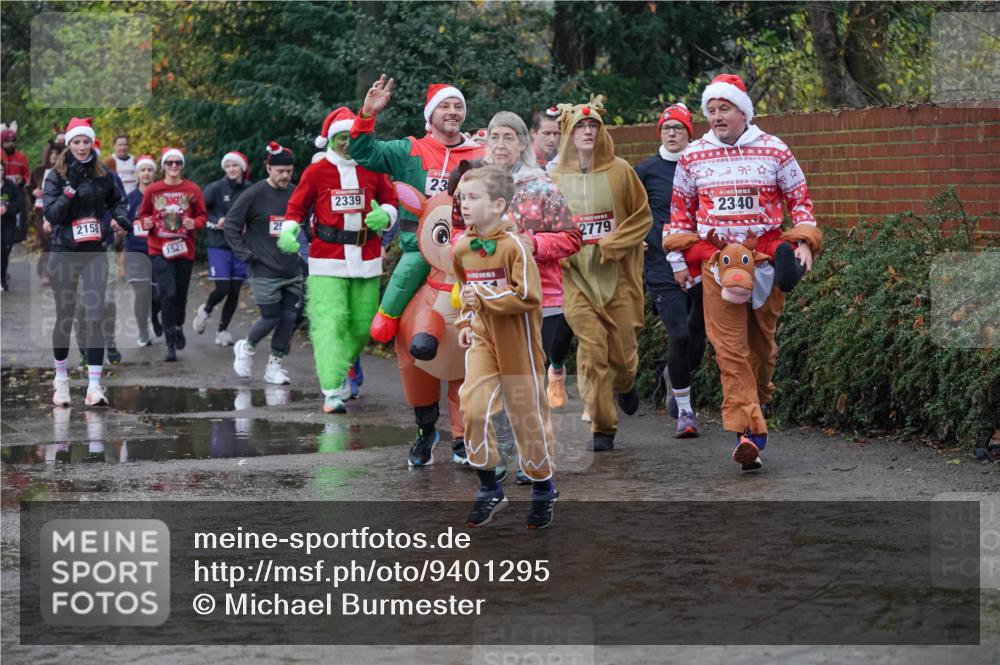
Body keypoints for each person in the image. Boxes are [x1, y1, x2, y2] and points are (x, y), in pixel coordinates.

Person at [664, 73, 822, 472]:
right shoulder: (693, 155)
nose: (716, 117)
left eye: (724, 109)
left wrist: (803, 241)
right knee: (729, 351)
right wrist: (680, 261)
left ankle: (760, 398)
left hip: (765, 263)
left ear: (742, 112)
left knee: (761, 351)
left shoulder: (774, 150)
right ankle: (749, 434)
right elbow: (680, 213)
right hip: (717, 267)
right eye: (711, 110)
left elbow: (800, 200)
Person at [452, 165, 557, 529]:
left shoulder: (514, 247)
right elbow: (465, 294)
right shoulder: (462, 247)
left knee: (526, 415)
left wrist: (482, 297)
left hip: (519, 341)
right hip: (483, 338)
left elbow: (528, 296)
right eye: (463, 197)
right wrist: (466, 321)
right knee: (473, 405)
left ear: (498, 205)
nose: (465, 204)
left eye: (473, 197)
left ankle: (543, 488)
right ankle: (488, 486)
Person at [549, 96, 653, 452]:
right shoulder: (553, 179)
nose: (588, 131)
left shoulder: (621, 171)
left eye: (593, 125)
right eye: (580, 126)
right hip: (576, 280)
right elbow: (541, 228)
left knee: (621, 359)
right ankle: (602, 425)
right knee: (592, 350)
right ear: (568, 133)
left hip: (619, 278)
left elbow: (642, 218)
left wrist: (613, 244)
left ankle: (625, 384)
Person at [349, 75, 484, 343]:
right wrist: (367, 114)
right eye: (445, 106)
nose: (453, 112)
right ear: (431, 113)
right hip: (418, 248)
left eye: (458, 107)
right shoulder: (409, 149)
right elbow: (364, 154)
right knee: (406, 276)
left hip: (468, 252)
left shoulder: (480, 154)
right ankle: (388, 314)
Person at [283, 108, 398, 411]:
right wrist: (289, 229)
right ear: (331, 140)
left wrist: (384, 215)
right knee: (329, 323)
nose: (347, 143)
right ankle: (331, 390)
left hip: (367, 257)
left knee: (363, 328)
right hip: (326, 258)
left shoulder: (373, 167)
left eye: (352, 137)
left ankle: (342, 369)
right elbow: (296, 206)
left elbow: (391, 200)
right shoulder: (317, 171)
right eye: (342, 138)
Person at [42, 117, 129, 407]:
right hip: (64, 250)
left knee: (95, 315)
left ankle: (94, 386)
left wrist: (119, 217)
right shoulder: (55, 175)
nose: (82, 147)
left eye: (86, 141)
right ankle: (62, 380)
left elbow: (118, 201)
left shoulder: (103, 173)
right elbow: (52, 215)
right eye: (76, 142)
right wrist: (70, 189)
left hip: (95, 251)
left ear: (92, 143)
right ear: (69, 144)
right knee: (65, 316)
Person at [636, 102, 703, 438]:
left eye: (678, 128)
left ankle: (674, 376)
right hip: (662, 265)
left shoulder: (703, 165)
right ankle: (686, 412)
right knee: (679, 334)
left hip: (701, 262)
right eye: (667, 128)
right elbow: (628, 210)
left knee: (698, 340)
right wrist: (636, 239)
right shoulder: (646, 170)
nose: (672, 133)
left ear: (689, 132)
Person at [227, 142, 303, 384]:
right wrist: (245, 254)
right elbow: (231, 225)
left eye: (289, 171)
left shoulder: (296, 192)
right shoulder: (253, 194)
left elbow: (307, 224)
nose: (285, 176)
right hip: (263, 269)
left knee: (290, 318)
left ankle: (275, 365)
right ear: (268, 168)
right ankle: (247, 348)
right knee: (270, 317)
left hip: (292, 268)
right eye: (280, 171)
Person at [139, 147, 207, 361]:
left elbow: (203, 217)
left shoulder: (192, 189)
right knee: (168, 293)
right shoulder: (153, 190)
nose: (174, 167)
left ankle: (178, 325)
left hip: (184, 249)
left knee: (180, 295)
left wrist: (193, 222)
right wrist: (146, 223)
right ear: (164, 167)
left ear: (182, 166)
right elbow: (143, 216)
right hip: (159, 249)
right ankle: (170, 344)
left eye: (178, 163)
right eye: (170, 163)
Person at [192, 150, 252, 345]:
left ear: (242, 168)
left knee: (235, 290)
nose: (232, 169)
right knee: (223, 287)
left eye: (235, 165)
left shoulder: (250, 190)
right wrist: (215, 221)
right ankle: (207, 309)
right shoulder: (215, 188)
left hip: (241, 246)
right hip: (218, 243)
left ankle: (223, 330)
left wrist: (246, 224)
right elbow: (199, 211)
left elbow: (257, 214)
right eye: (228, 166)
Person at [123, 155, 161, 346]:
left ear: (154, 173)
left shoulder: (160, 197)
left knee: (157, 295)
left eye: (149, 170)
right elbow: (123, 223)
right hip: (135, 251)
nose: (146, 173)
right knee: (141, 292)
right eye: (142, 170)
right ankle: (143, 332)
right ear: (137, 174)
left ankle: (154, 317)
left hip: (157, 250)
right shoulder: (130, 199)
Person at [29, 131, 65, 286]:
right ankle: (43, 272)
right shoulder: (38, 171)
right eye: (52, 153)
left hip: (58, 210)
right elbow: (29, 190)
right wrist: (34, 193)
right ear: (47, 154)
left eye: (57, 154)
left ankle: (56, 273)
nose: (54, 156)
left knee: (57, 243)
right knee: (47, 242)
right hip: (41, 210)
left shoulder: (64, 171)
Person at [1, 161, 26, 291]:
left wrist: (8, 208)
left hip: (7, 224)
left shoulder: (10, 185)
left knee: (5, 251)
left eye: (1, 170)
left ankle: (2, 277)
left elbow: (19, 201)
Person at [1, 122, 30, 188]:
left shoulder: (22, 157)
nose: (11, 143)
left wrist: (22, 180)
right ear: (2, 142)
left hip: (16, 192)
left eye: (13, 141)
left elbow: (27, 177)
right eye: (7, 141)